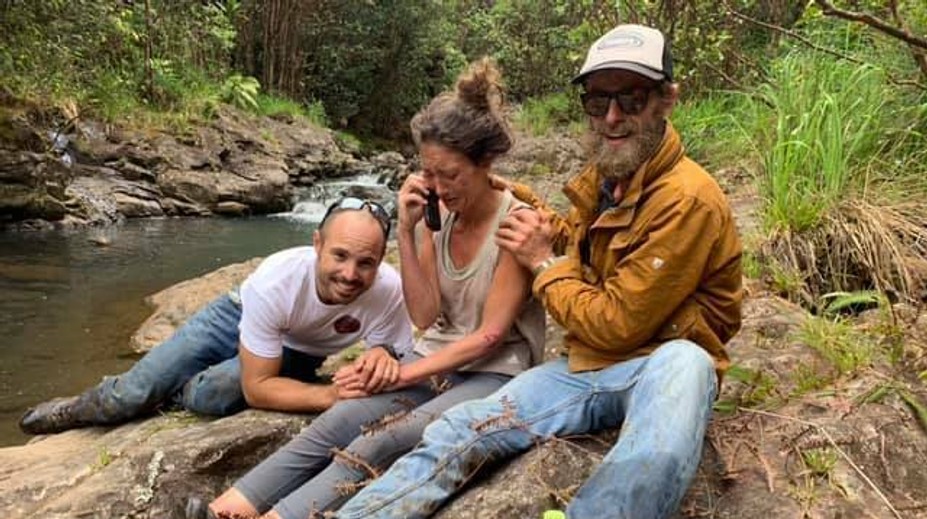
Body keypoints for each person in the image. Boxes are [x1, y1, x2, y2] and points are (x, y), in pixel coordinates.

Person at [336, 24, 743, 519]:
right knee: (463, 427)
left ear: (666, 100)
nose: (612, 117)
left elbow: (617, 325)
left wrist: (542, 263)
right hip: (585, 367)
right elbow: (580, 238)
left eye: (631, 100)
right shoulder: (612, 174)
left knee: (674, 395)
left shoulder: (687, 199)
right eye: (597, 102)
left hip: (660, 364)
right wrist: (522, 201)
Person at [205, 58, 546, 519]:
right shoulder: (435, 214)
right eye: (430, 174)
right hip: (435, 358)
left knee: (385, 437)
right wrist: (406, 231)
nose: (439, 188)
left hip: (497, 369)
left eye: (451, 175)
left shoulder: (515, 224)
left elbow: (487, 336)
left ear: (485, 163)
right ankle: (227, 509)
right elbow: (424, 317)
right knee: (341, 417)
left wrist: (401, 373)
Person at [19, 198, 416, 435]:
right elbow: (261, 389)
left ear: (381, 260)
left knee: (215, 395)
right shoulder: (276, 280)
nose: (350, 274)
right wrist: (328, 395)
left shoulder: (388, 289)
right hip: (235, 314)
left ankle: (173, 387)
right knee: (132, 394)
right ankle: (75, 409)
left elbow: (393, 348)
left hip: (299, 349)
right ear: (317, 244)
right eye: (340, 256)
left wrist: (383, 352)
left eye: (366, 263)